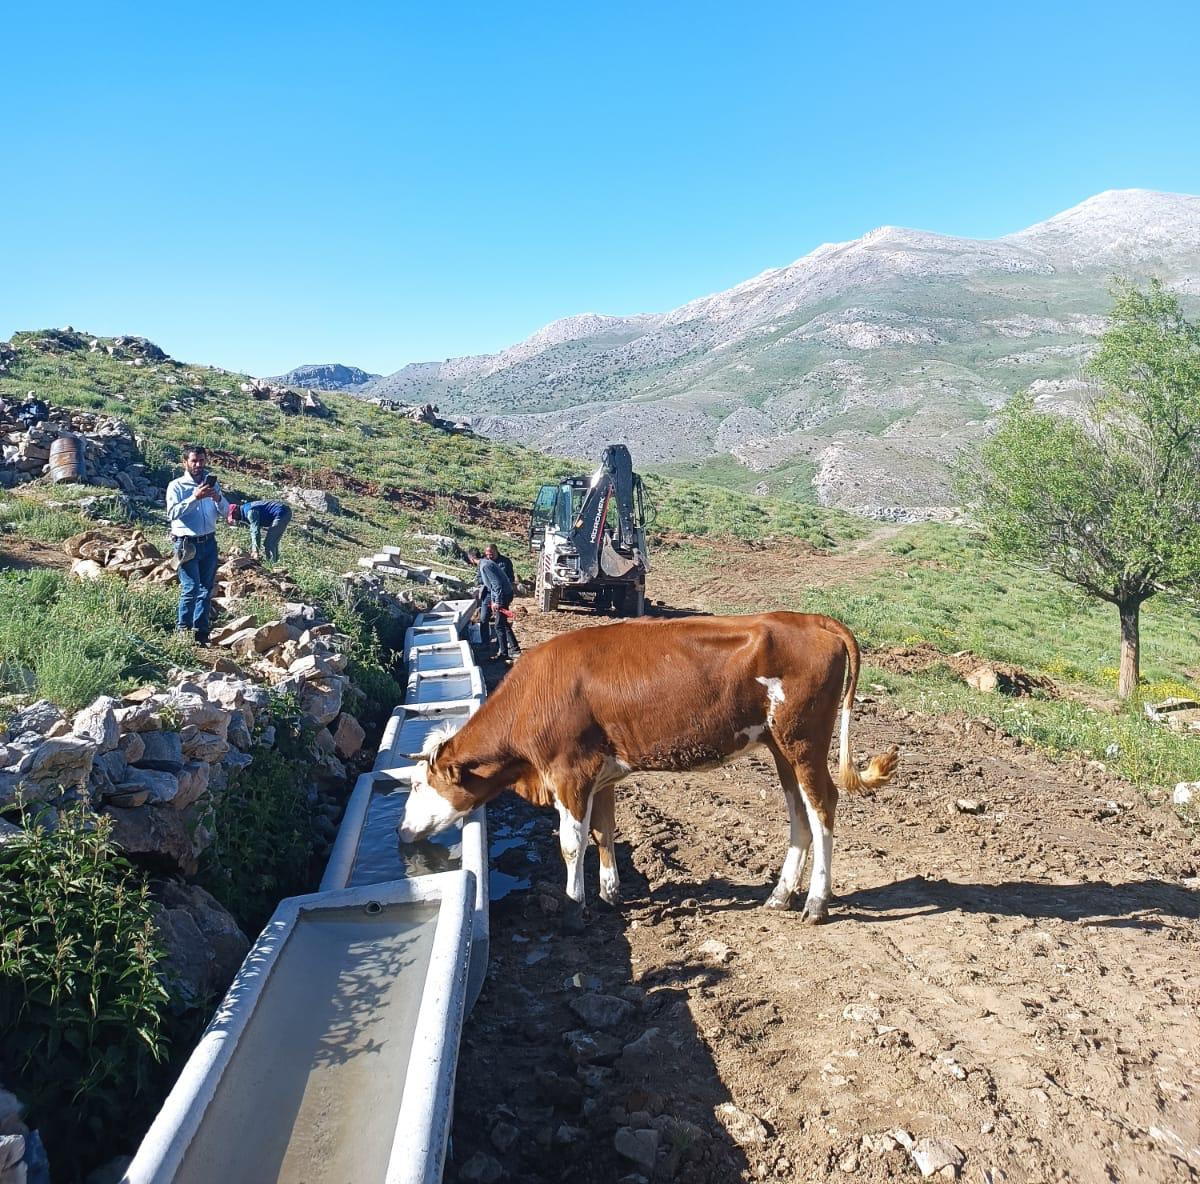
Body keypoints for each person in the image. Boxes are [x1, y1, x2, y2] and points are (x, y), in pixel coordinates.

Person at [165, 445, 228, 644]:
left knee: (206, 588)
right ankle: (183, 630)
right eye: (194, 461)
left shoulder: (212, 484)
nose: (198, 465)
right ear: (185, 462)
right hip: (186, 544)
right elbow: (172, 514)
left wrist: (216, 497)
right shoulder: (177, 486)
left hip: (209, 542)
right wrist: (195, 498)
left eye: (201, 460)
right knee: (191, 587)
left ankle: (201, 632)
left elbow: (226, 512)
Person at [468, 547, 520, 661]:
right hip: (502, 593)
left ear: (471, 558)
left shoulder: (485, 565)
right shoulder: (485, 563)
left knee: (499, 625)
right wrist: (493, 600)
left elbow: (496, 584)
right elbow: (491, 586)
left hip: (504, 595)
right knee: (502, 623)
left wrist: (496, 601)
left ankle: (504, 654)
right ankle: (515, 649)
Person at [227, 499, 293, 562]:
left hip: (281, 512)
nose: (234, 519)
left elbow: (255, 531)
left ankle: (272, 564)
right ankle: (274, 562)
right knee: (272, 542)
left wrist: (255, 551)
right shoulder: (246, 509)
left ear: (236, 511)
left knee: (269, 543)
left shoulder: (250, 512)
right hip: (282, 512)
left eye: (233, 516)